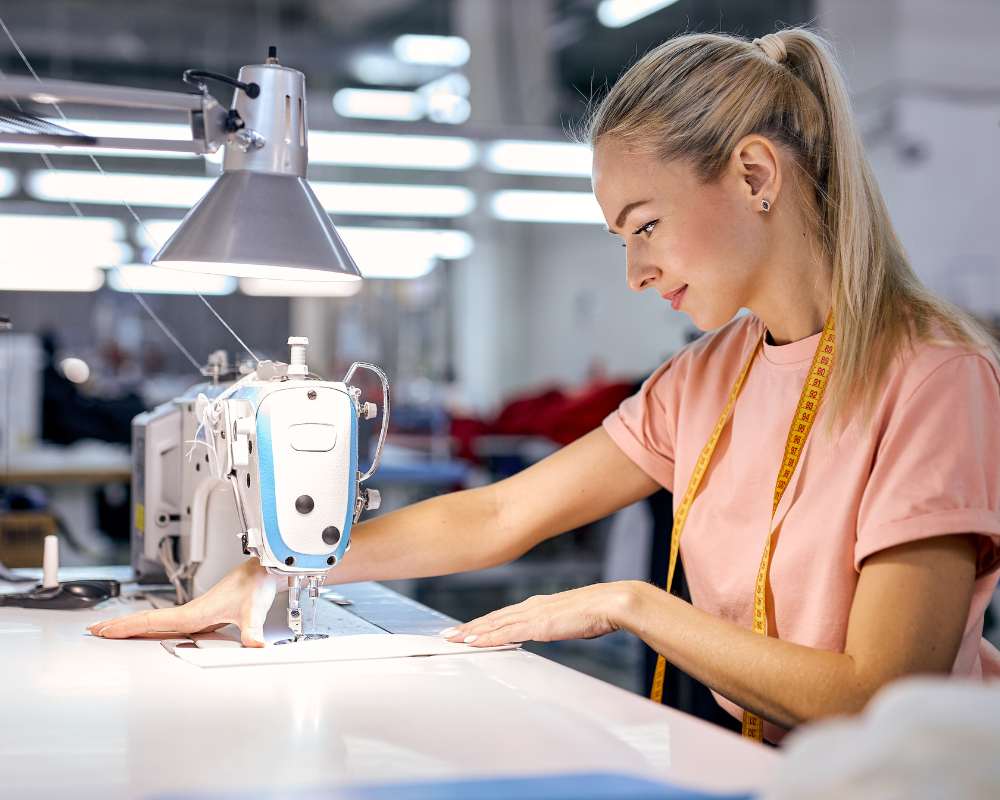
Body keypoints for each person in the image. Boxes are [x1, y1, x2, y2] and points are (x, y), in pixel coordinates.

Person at [88, 28, 1000, 745]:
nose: (635, 271)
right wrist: (282, 564)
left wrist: (629, 603)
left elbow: (872, 698)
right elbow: (498, 517)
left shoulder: (932, 381)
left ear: (756, 175)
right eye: (621, 239)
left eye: (645, 226)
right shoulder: (707, 377)